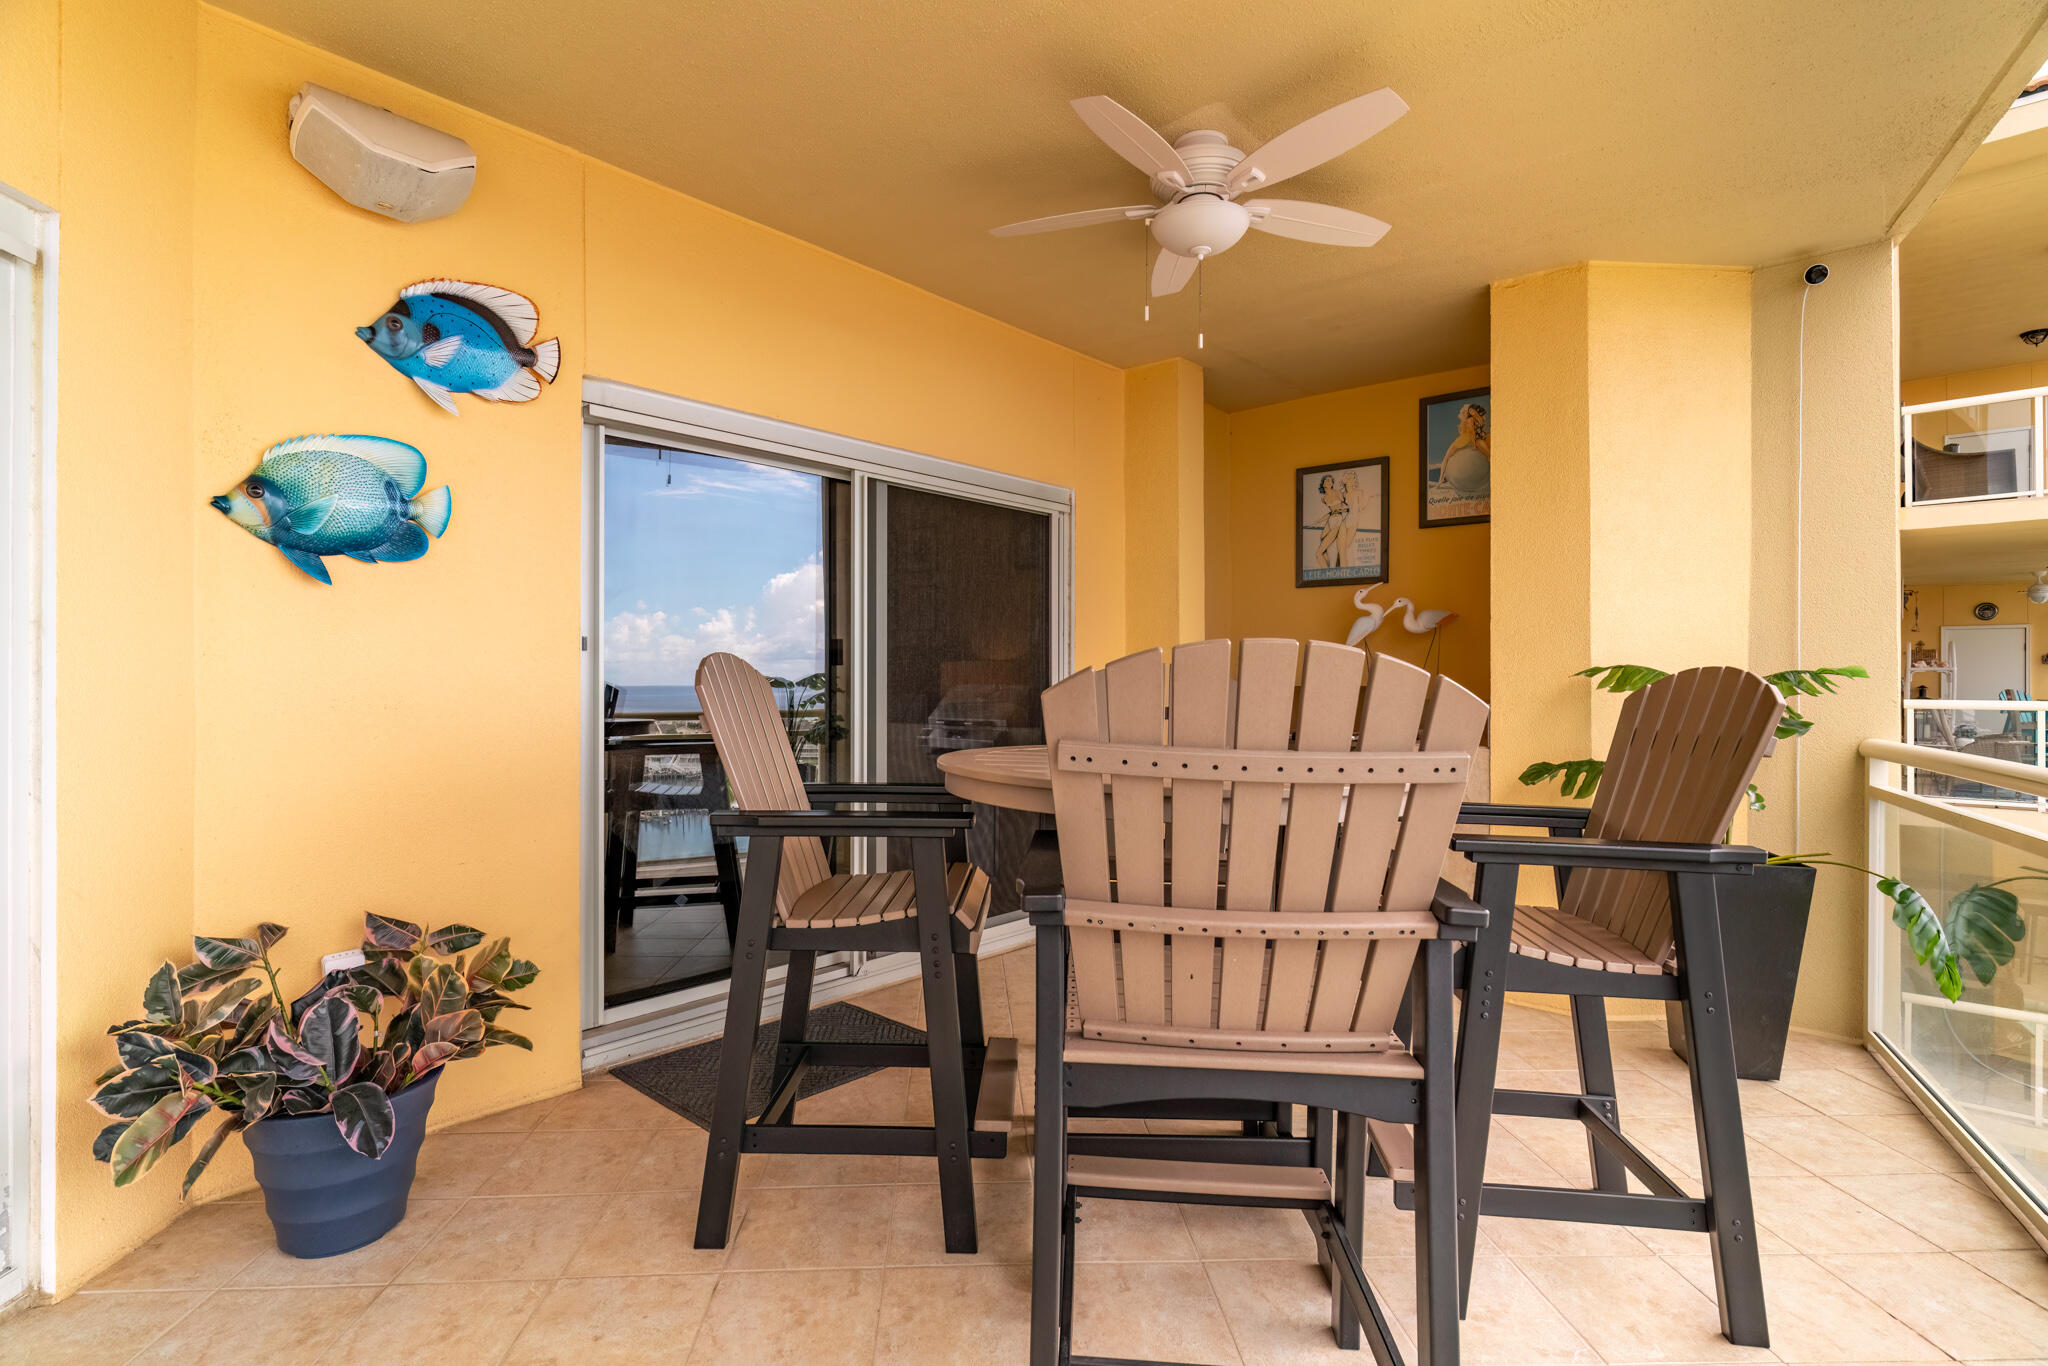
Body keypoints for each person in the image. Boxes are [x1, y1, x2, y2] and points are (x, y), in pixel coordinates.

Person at [1315, 473, 1354, 567]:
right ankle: (1327, 566)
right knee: (1322, 541)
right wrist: (1319, 520)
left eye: (1330, 481)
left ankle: (1330, 569)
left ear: (1332, 484)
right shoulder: (1323, 498)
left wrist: (1342, 509)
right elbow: (1330, 512)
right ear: (1323, 484)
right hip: (1331, 519)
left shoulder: (1337, 492)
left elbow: (1347, 507)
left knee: (1324, 551)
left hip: (1338, 520)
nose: (1329, 482)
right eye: (1327, 480)